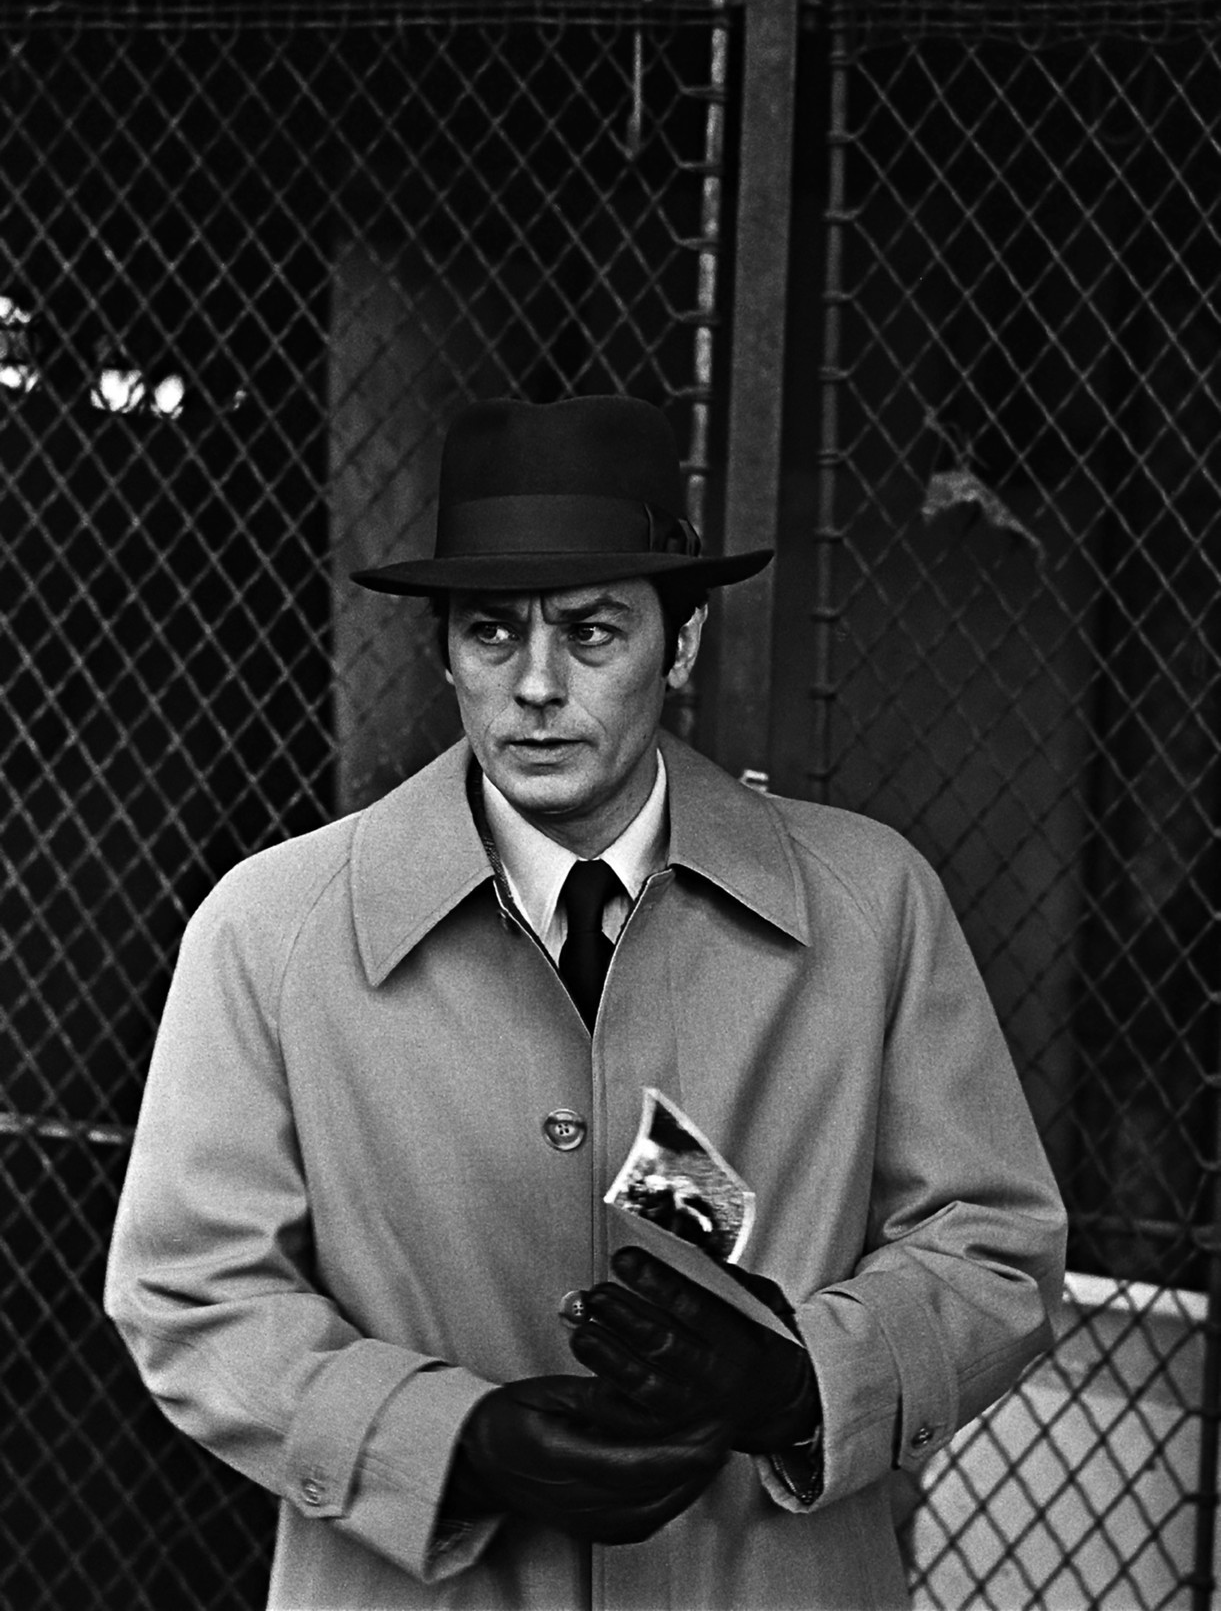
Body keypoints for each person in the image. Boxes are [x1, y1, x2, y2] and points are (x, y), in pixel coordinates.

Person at [105, 395, 1067, 1611]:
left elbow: (993, 1244)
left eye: (593, 631)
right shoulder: (271, 929)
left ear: (682, 644)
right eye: (491, 633)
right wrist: (450, 1444)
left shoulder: (870, 904)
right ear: (444, 653)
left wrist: (807, 1382)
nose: (536, 685)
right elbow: (189, 1290)